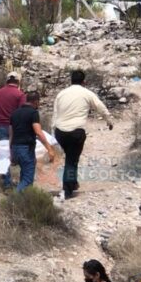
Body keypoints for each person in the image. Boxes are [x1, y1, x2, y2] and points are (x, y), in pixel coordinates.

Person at [52, 70, 114, 200]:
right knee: (71, 161)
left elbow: (55, 114)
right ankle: (67, 190)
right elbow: (100, 107)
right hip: (76, 132)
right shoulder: (87, 93)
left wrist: (54, 133)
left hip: (60, 132)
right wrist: (109, 121)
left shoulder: (61, 94)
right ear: (84, 81)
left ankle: (72, 183)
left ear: (71, 80)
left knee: (69, 158)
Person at [9, 91, 57, 192]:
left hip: (16, 148)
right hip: (26, 149)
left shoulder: (15, 113)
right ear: (36, 101)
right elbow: (38, 132)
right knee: (27, 180)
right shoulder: (33, 113)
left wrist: (11, 152)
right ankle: (13, 200)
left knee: (24, 175)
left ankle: (24, 203)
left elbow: (11, 135)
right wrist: (49, 149)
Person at [0, 71, 26, 190]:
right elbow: (22, 113)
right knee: (20, 152)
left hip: (1, 126)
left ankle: (7, 183)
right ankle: (23, 182)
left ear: (7, 80)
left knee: (4, 155)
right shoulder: (20, 94)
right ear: (18, 81)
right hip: (15, 127)